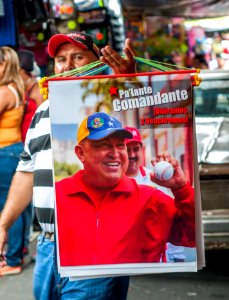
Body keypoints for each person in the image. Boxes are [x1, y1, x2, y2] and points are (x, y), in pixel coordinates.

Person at [0, 32, 135, 299]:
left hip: (95, 243)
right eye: (61, 59)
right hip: (49, 245)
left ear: (97, 61)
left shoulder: (113, 99)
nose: (68, 65)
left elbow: (145, 112)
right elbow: (27, 170)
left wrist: (128, 81)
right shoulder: (44, 109)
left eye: (77, 57)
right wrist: (4, 225)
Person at [55, 112, 195, 266]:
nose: (115, 153)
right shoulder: (58, 195)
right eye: (104, 145)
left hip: (139, 289)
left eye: (120, 145)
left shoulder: (150, 199)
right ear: (81, 153)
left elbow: (194, 236)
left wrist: (182, 189)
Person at [124, 126, 186, 263]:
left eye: (136, 149)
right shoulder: (113, 183)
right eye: (128, 150)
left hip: (156, 261)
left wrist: (177, 255)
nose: (132, 155)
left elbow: (171, 218)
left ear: (142, 149)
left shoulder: (156, 179)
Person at [0, 46, 25, 275]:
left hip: (5, 152)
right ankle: (18, 253)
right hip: (13, 148)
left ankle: (13, 260)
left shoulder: (4, 92)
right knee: (18, 207)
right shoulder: (15, 87)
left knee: (9, 209)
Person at [18, 49, 43, 143]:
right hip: (23, 143)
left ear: (19, 68)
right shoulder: (21, 88)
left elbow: (43, 119)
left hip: (34, 143)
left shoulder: (38, 89)